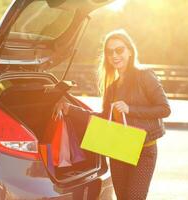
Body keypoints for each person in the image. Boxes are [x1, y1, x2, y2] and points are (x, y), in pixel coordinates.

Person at [55, 29, 171, 200]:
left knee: (134, 197)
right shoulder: (112, 87)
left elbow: (164, 109)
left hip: (144, 151)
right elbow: (104, 118)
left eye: (119, 50)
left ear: (130, 51)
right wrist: (70, 109)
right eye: (110, 52)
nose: (115, 55)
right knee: (122, 197)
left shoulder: (145, 75)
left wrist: (130, 109)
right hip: (119, 150)